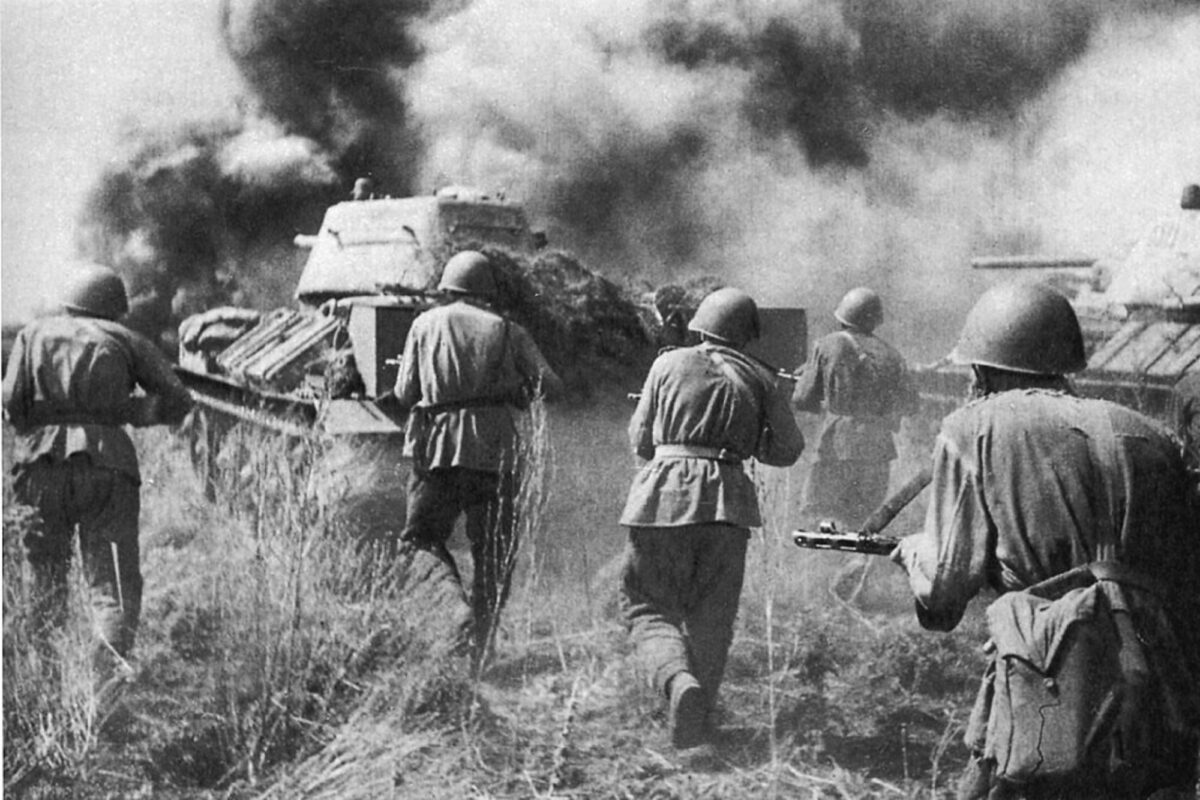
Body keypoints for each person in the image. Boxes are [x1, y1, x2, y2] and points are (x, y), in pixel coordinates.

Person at [891, 283, 1200, 800]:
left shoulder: (973, 426)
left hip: (1050, 677)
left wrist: (912, 553)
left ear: (981, 371)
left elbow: (946, 584)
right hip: (1159, 678)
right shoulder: (1151, 436)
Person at [619, 287, 805, 752]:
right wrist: (744, 441)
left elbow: (640, 440)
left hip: (662, 496)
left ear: (702, 324)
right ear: (746, 337)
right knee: (712, 618)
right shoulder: (761, 378)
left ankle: (678, 682)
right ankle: (696, 729)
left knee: (648, 606)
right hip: (728, 503)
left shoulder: (666, 364)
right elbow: (788, 450)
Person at [2, 263, 193, 673]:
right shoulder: (125, 340)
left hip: (37, 467)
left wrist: (42, 419)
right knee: (112, 586)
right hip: (107, 465)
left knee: (44, 581)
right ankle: (106, 684)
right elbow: (178, 400)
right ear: (114, 306)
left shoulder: (32, 335)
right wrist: (126, 411)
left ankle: (46, 681)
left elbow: (11, 404)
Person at [390, 250, 564, 661]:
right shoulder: (509, 331)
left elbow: (404, 393)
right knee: (494, 555)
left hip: (437, 452)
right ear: (488, 291)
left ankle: (453, 611)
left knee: (420, 539)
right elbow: (552, 386)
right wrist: (512, 388)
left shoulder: (424, 324)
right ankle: (480, 650)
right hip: (496, 455)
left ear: (448, 287)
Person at [791, 287, 918, 530]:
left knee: (825, 519)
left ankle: (828, 566)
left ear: (842, 316)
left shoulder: (827, 345)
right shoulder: (892, 354)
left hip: (837, 443)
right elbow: (911, 404)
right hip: (879, 447)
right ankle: (857, 565)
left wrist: (824, 396)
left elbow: (803, 398)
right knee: (862, 523)